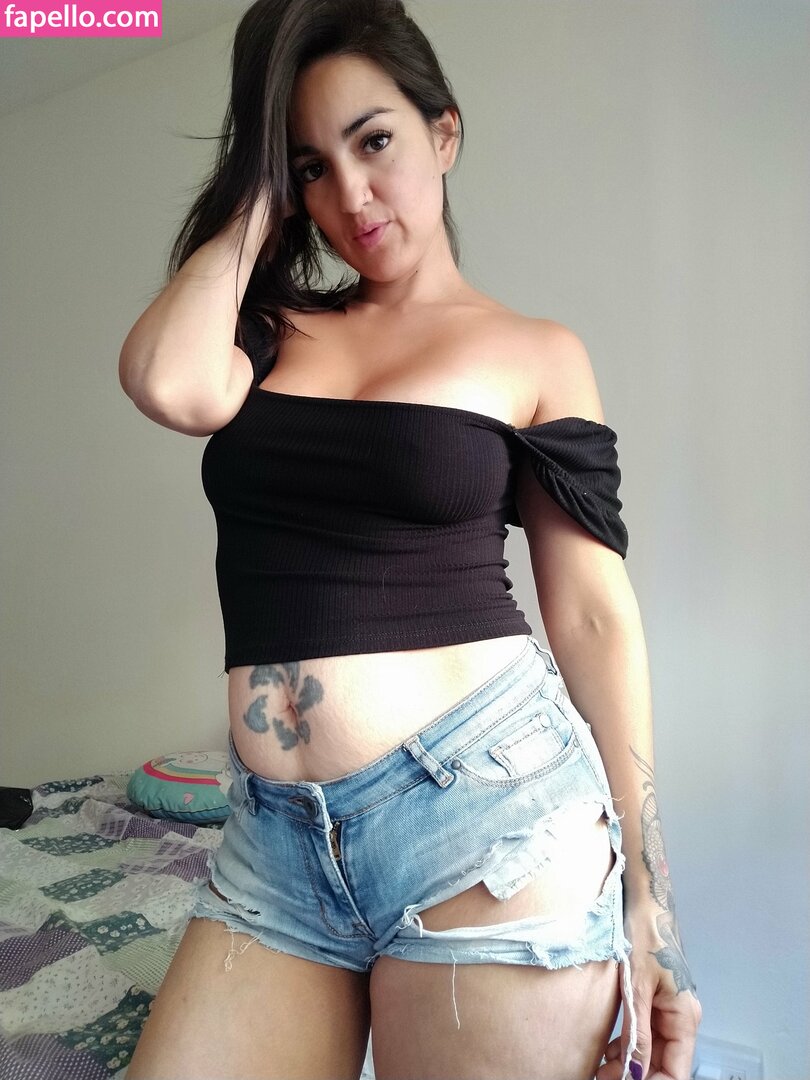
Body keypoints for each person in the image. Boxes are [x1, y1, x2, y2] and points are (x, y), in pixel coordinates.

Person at [119, 1, 701, 1077]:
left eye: (374, 141)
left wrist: (650, 899)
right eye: (312, 166)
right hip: (277, 841)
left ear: (444, 133)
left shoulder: (536, 352)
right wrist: (257, 191)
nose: (351, 195)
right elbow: (166, 383)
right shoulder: (269, 332)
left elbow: (592, 618)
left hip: (487, 820)